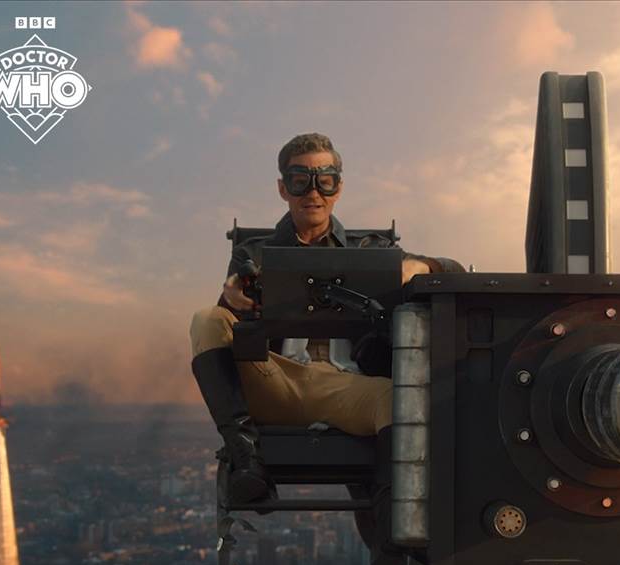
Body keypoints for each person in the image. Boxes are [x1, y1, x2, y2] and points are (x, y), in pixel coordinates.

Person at [189, 133, 462, 509]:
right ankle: (247, 461)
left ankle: (392, 514)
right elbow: (225, 332)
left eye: (325, 180)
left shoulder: (371, 251)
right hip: (275, 378)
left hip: (346, 387)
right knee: (206, 318)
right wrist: (231, 300)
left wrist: (420, 267)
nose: (313, 192)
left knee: (397, 401)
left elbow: (454, 270)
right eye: (300, 180)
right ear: (283, 188)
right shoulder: (253, 254)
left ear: (339, 188)